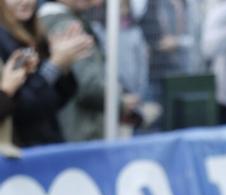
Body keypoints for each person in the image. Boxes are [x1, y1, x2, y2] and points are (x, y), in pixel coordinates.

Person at [40, 0, 140, 142]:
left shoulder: (58, 21)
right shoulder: (66, 25)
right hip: (79, 131)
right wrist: (120, 103)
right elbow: (87, 85)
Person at [0, 0, 91, 147]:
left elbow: (54, 101)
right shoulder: (4, 39)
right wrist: (54, 65)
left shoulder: (35, 33)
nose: (26, 1)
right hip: (20, 150)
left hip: (45, 142)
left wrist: (63, 65)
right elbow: (22, 108)